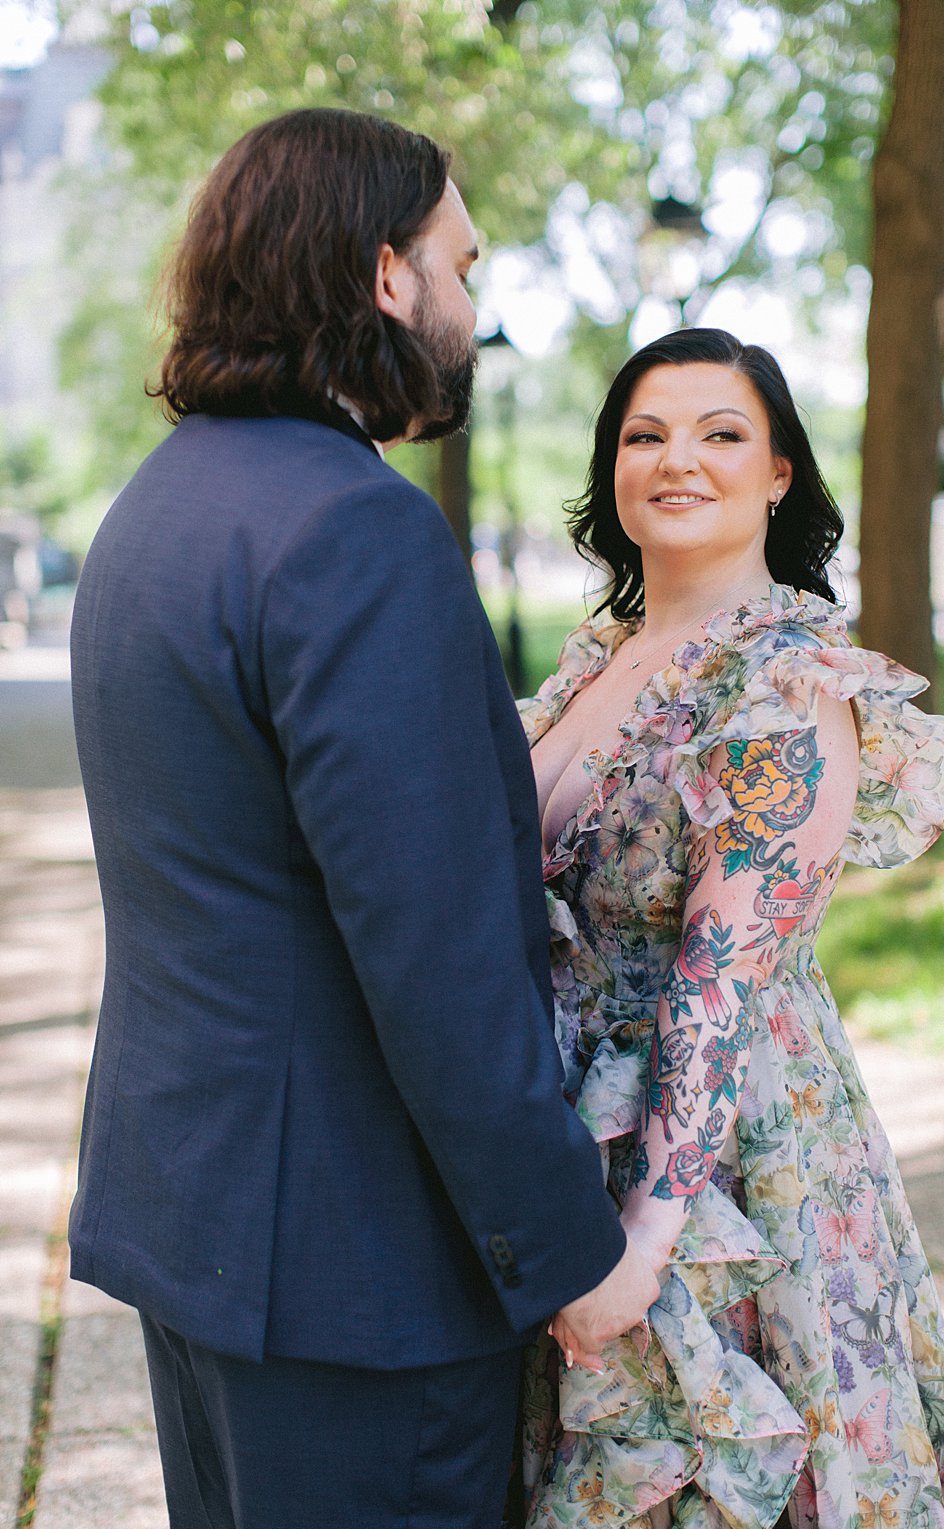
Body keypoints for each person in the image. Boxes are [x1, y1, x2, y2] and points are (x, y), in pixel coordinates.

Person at [67, 109, 658, 1526]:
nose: (473, 305)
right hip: (357, 1274)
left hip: (200, 1226)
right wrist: (572, 1252)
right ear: (389, 278)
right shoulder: (357, 530)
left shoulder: (157, 510)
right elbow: (441, 957)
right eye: (463, 264)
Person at [515, 328, 944, 1529]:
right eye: (645, 434)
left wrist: (647, 1236)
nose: (677, 459)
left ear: (778, 474)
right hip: (566, 1122)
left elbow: (720, 977)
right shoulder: (600, 663)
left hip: (720, 1162)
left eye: (720, 434)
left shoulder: (783, 684)